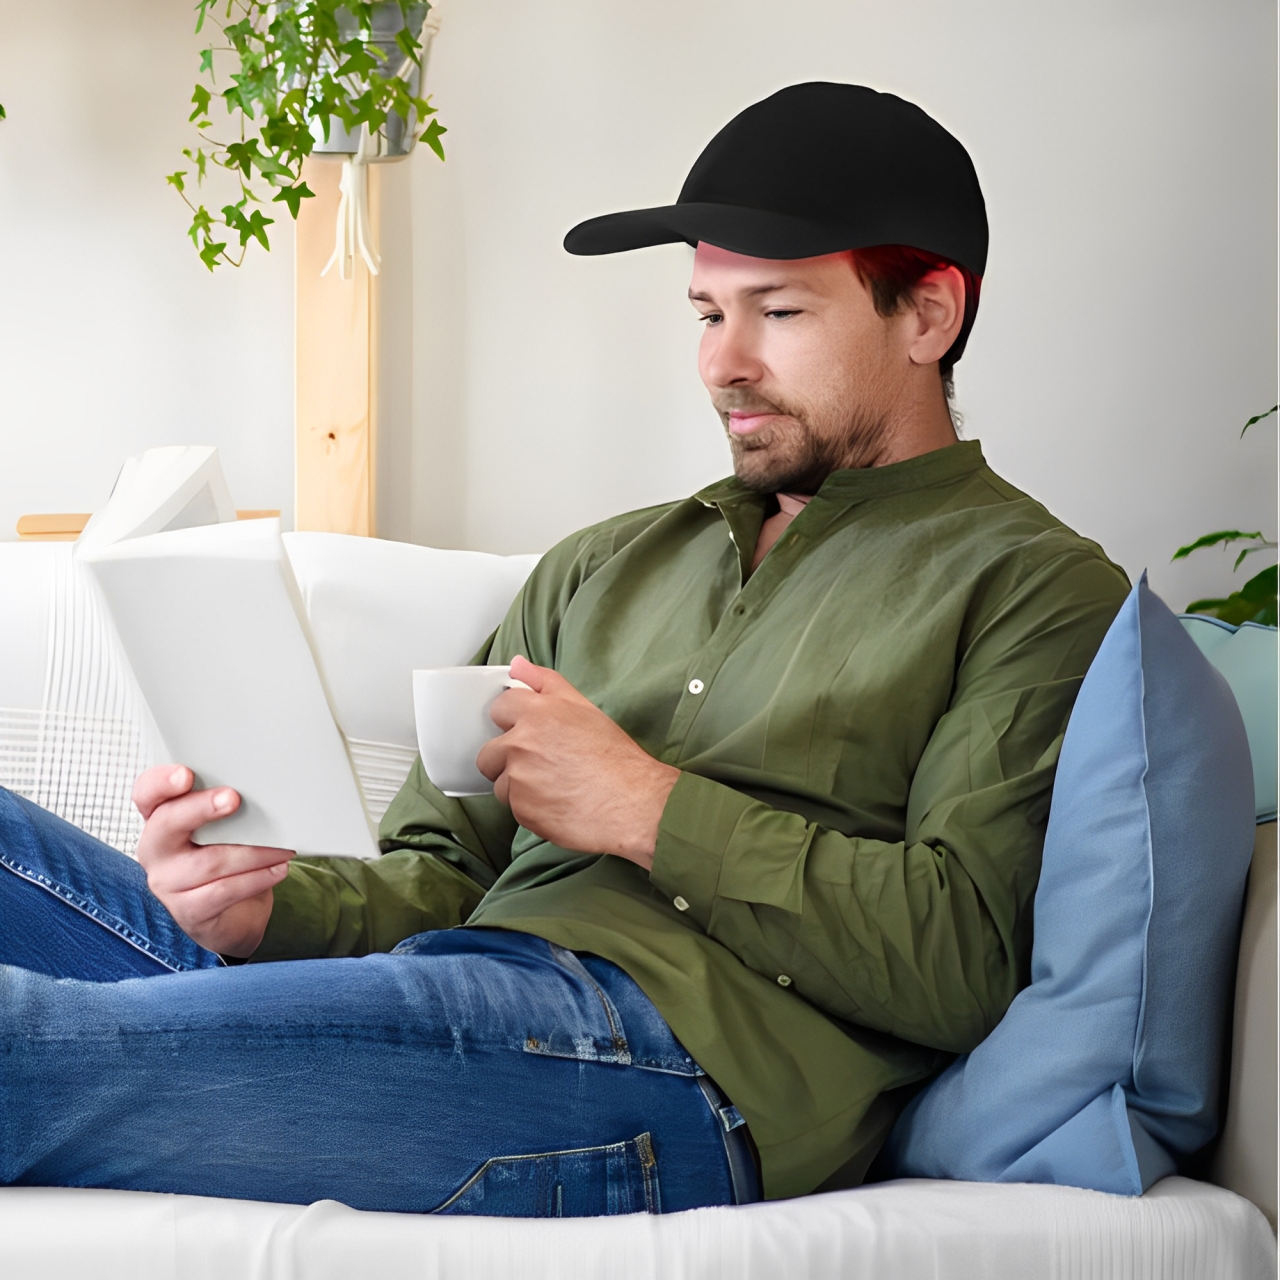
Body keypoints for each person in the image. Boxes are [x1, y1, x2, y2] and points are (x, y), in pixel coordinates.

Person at [0, 82, 1128, 1215]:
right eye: (704, 312)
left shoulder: (1030, 587)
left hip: (672, 1064)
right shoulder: (603, 563)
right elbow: (444, 874)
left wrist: (646, 806)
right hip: (452, 995)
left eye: (776, 313)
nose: (721, 362)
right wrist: (264, 910)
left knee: (26, 1043)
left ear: (927, 314)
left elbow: (960, 966)